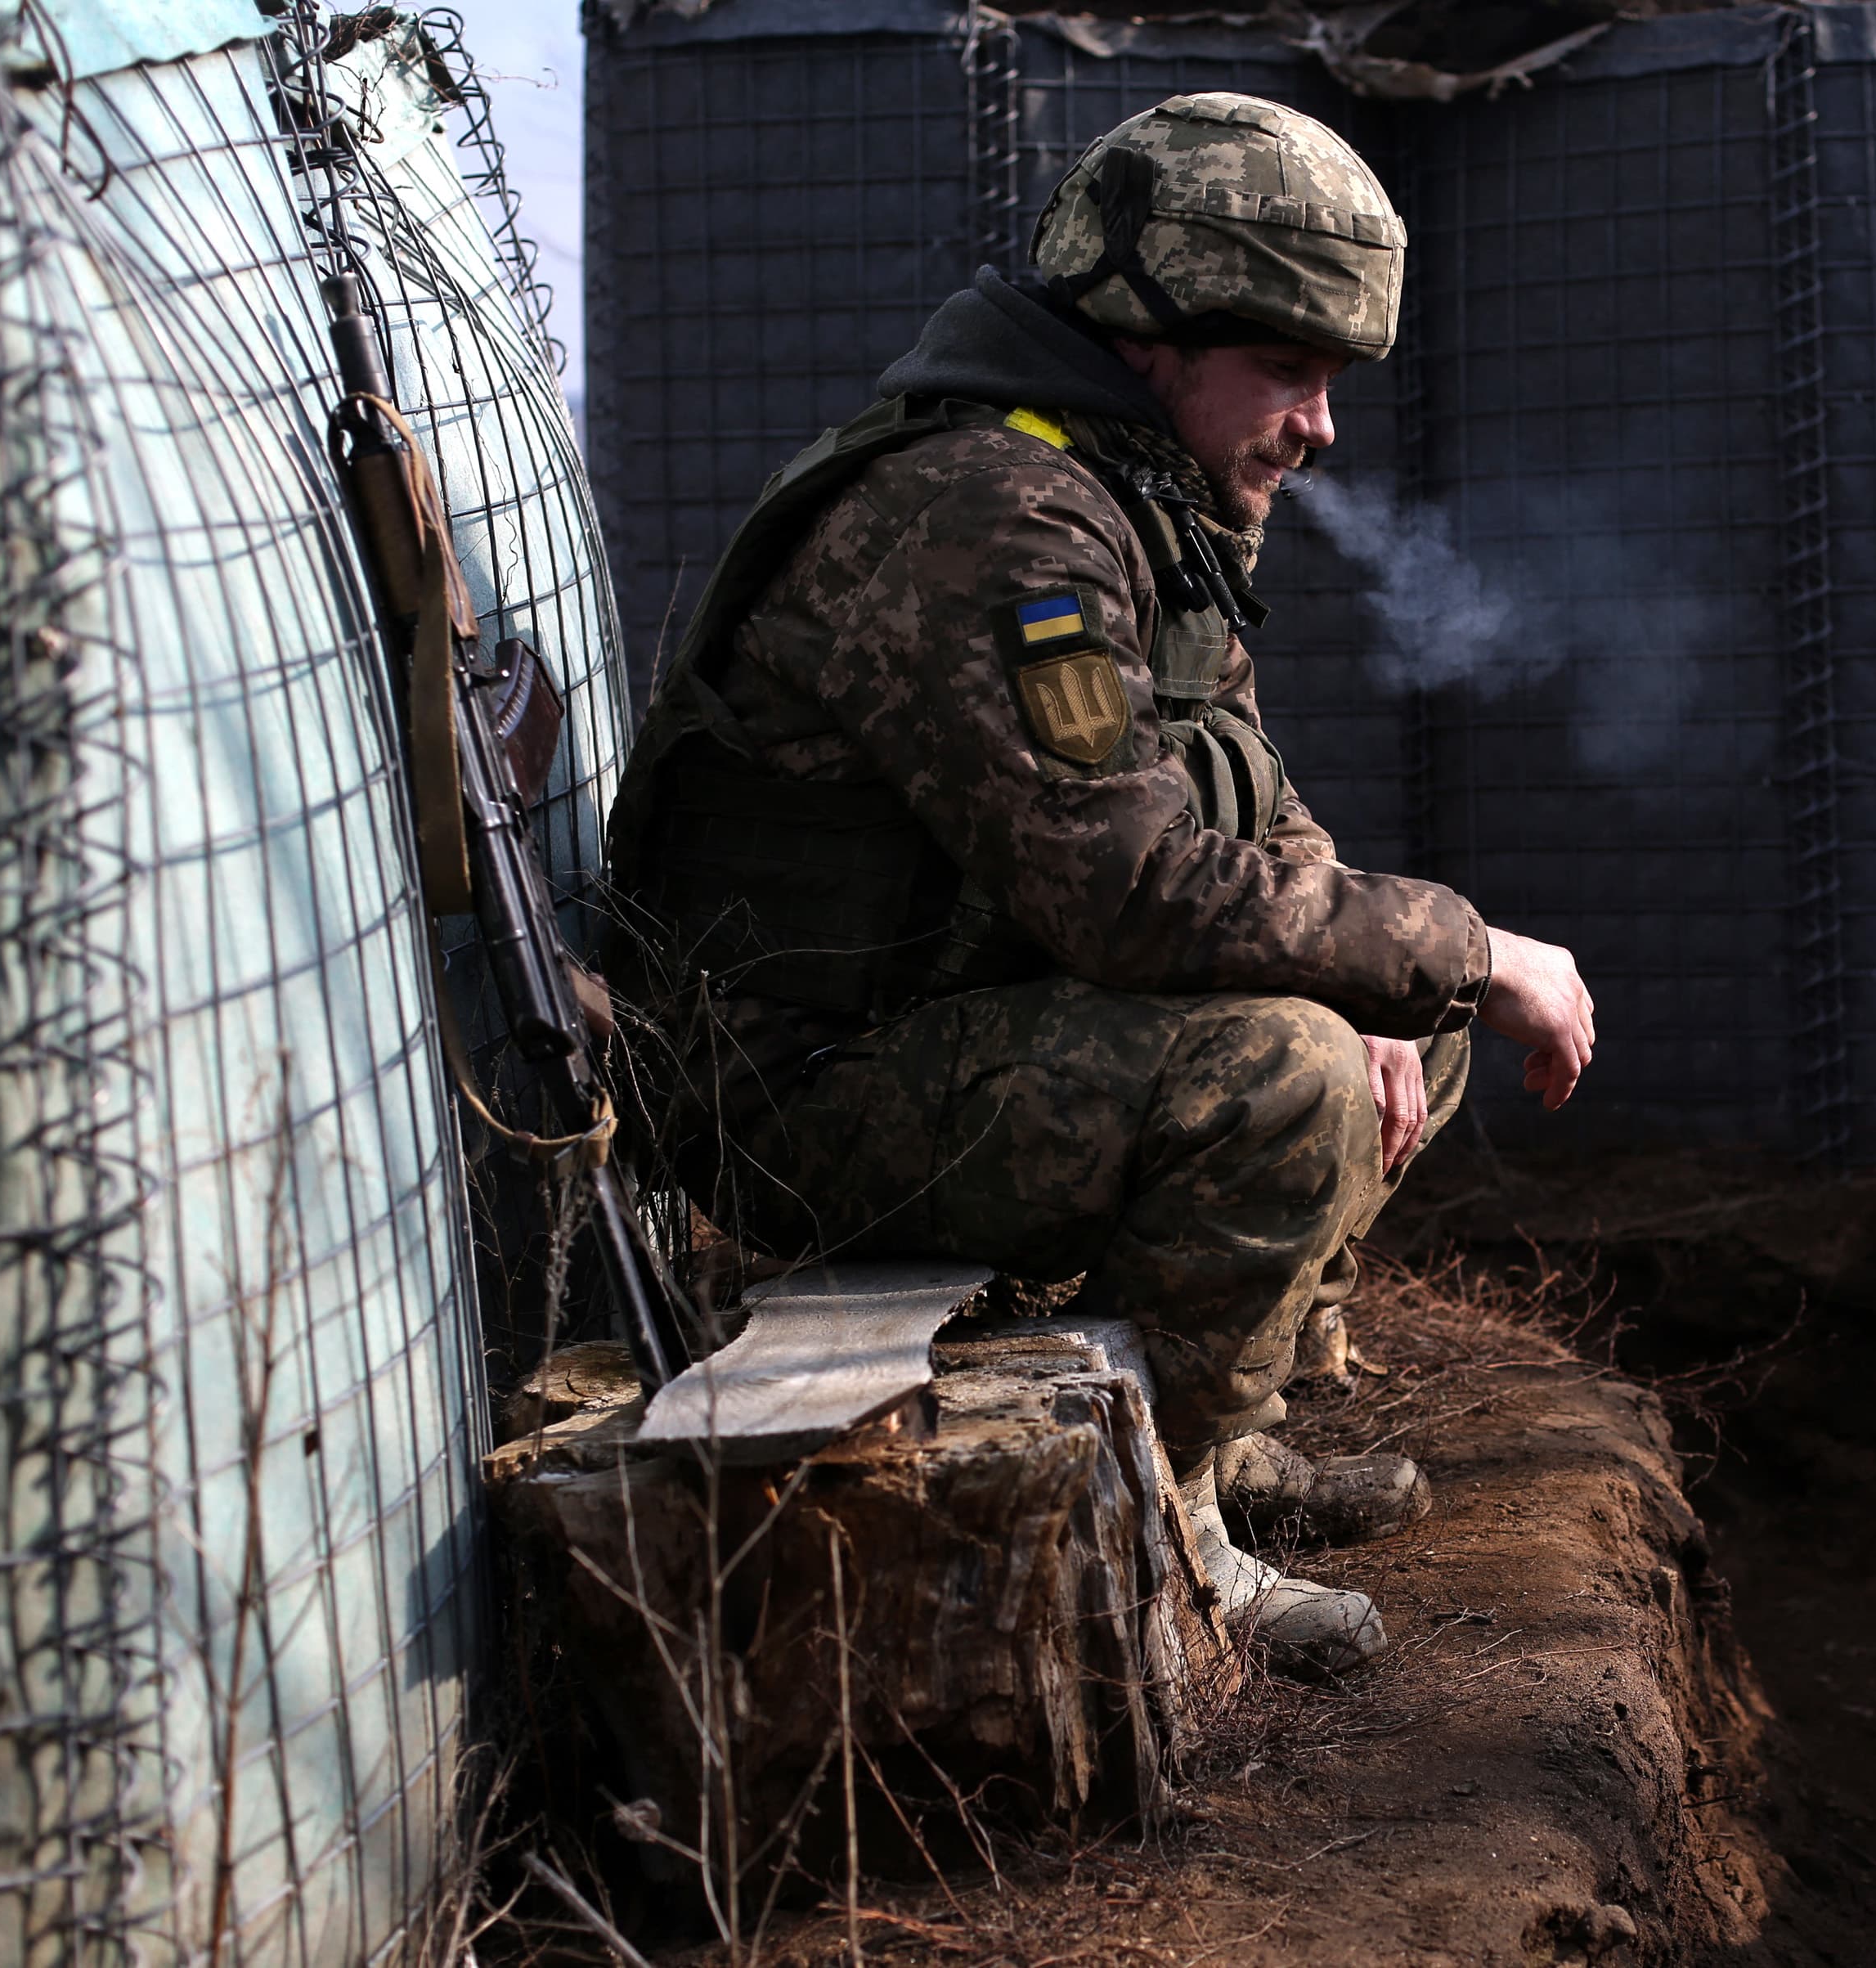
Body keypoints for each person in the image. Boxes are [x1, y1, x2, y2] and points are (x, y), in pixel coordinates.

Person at [602, 93, 1595, 1673]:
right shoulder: (1004, 515)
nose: (1322, 426)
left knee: (1410, 1009)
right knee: (1288, 1072)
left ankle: (1224, 1421)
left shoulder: (1138, 499)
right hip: (797, 1090)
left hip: (955, 1029)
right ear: (1152, 338)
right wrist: (1458, 949)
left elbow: (1258, 808)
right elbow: (1125, 888)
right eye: (1288, 370)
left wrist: (1420, 972)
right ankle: (1168, 1535)